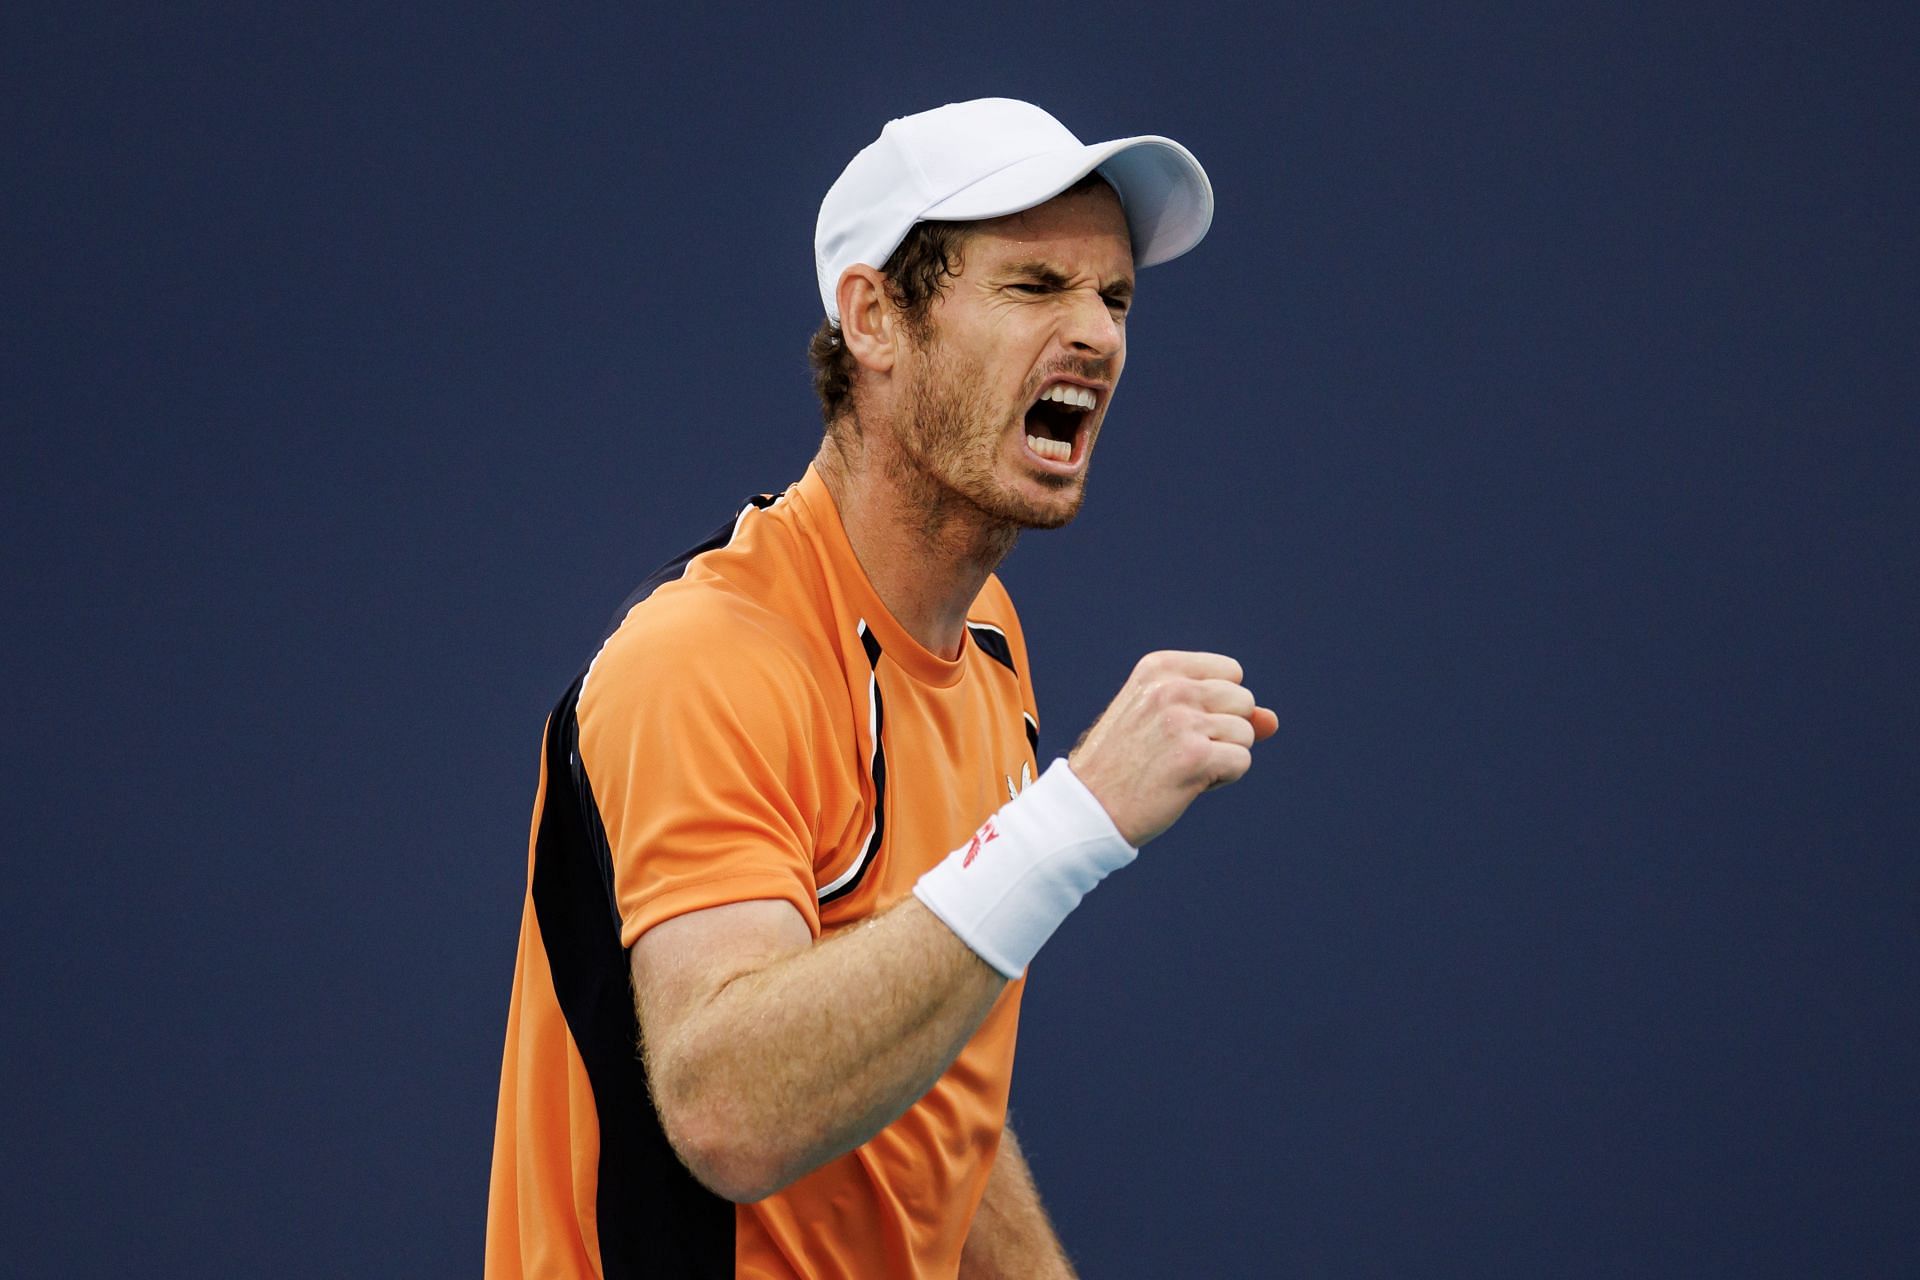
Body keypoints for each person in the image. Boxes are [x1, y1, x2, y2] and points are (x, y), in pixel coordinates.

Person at [485, 97, 1279, 1279]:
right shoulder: (706, 657)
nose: (1098, 335)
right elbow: (728, 1108)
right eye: (1033, 287)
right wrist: (1074, 818)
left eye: (1112, 297)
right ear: (874, 319)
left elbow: (912, 1065)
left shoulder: (989, 646)